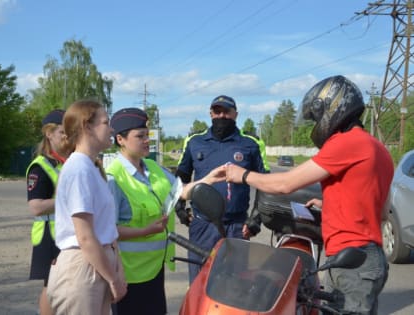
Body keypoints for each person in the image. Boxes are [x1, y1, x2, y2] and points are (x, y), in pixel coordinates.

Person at [222, 75, 394, 315]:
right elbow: (382, 210)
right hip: (366, 258)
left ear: (335, 108)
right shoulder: (378, 148)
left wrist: (242, 175)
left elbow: (286, 183)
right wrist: (331, 204)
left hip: (352, 260)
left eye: (317, 117)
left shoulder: (347, 143)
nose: (316, 123)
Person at [106, 107, 224, 315]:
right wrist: (145, 231)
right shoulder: (113, 177)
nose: (146, 141)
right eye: (139, 136)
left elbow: (180, 191)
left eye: (147, 135)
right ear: (120, 139)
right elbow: (107, 231)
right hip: (128, 274)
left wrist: (209, 179)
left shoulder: (152, 166)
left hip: (154, 269)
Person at [175, 94, 270, 283]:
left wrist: (255, 220)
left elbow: (265, 186)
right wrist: (180, 209)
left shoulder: (252, 143)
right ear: (210, 113)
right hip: (202, 226)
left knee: (234, 286)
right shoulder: (194, 141)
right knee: (199, 283)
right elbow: (180, 179)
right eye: (217, 111)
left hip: (236, 227)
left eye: (226, 112)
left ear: (236, 114)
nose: (221, 116)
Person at [47, 100, 127, 314]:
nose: (111, 128)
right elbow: (85, 236)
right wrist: (112, 277)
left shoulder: (89, 167)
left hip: (96, 262)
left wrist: (117, 267)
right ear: (87, 126)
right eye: (105, 122)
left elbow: (105, 228)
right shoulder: (78, 169)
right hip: (82, 268)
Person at [26, 109, 67, 315]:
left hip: (65, 234)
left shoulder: (66, 162)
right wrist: (67, 199)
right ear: (49, 134)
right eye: (62, 132)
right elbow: (35, 206)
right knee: (51, 286)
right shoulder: (41, 166)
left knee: (65, 286)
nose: (67, 136)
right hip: (49, 237)